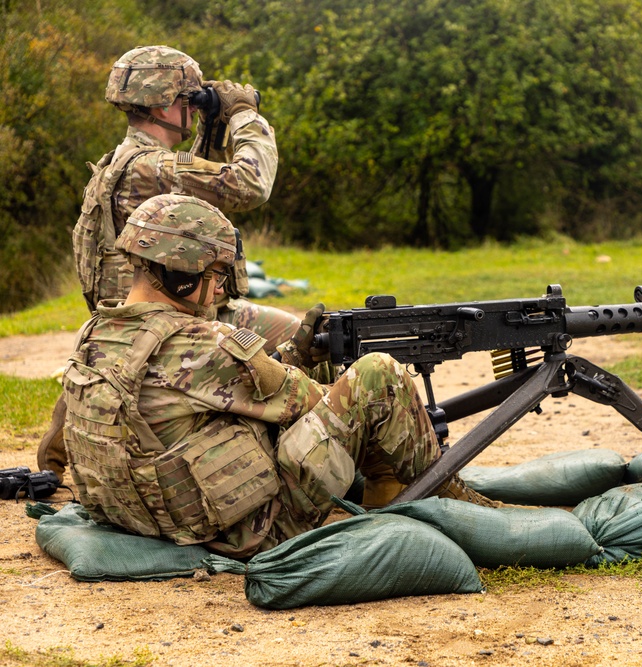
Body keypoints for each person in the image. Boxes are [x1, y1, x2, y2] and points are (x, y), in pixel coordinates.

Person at [62, 194, 497, 558]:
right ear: (179, 272)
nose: (219, 290)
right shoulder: (203, 342)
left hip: (150, 517)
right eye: (214, 276)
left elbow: (227, 390)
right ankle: (464, 511)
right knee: (379, 376)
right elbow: (321, 401)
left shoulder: (97, 333)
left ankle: (386, 490)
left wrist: (293, 356)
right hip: (251, 532)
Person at [39, 45, 300, 480]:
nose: (191, 108)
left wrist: (208, 121)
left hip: (124, 321)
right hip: (173, 317)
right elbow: (251, 185)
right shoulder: (154, 167)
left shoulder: (120, 162)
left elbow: (193, 181)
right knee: (300, 337)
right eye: (187, 100)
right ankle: (303, 452)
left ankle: (59, 448)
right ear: (165, 104)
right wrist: (244, 116)